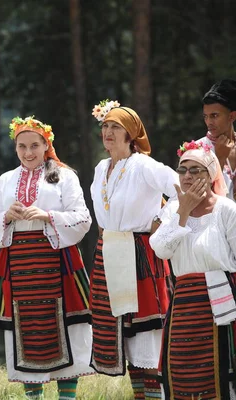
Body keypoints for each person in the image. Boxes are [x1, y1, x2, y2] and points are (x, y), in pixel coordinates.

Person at [0, 116, 93, 399]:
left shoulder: (64, 176)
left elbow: (83, 218)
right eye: (22, 146)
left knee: (65, 328)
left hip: (57, 261)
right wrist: (7, 216)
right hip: (19, 263)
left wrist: (47, 216)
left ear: (47, 144)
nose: (28, 152)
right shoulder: (4, 181)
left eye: (34, 145)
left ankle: (66, 396)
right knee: (26, 329)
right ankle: (33, 395)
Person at [89, 100, 179, 399]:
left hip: (140, 254)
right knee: (124, 338)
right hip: (110, 253)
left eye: (116, 127)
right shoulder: (102, 168)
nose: (108, 132)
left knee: (145, 337)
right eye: (105, 126)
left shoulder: (144, 165)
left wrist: (161, 219)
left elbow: (181, 188)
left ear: (131, 134)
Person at [150, 141, 236, 399]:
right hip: (184, 304)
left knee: (220, 369)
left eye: (195, 170)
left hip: (220, 303)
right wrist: (183, 212)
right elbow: (160, 249)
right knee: (180, 368)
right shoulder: (172, 210)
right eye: (182, 169)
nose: (187, 176)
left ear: (210, 175)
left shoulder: (226, 210)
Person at [196, 79, 236, 199]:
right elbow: (198, 197)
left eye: (214, 116)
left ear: (232, 116)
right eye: (205, 117)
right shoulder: (197, 149)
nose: (209, 122)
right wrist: (219, 159)